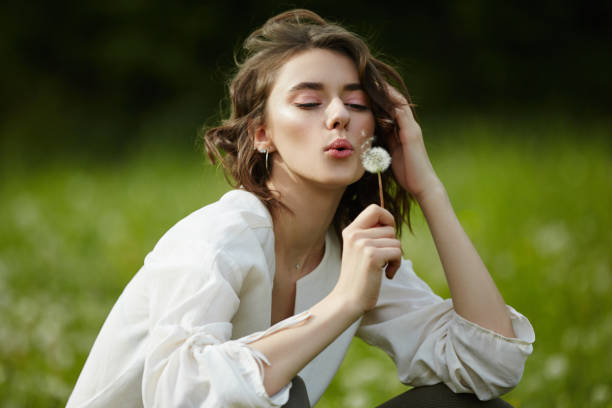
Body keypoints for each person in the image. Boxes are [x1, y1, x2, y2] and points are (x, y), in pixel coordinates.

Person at [66, 9, 535, 408]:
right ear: (261, 133)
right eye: (309, 101)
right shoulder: (219, 236)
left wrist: (429, 191)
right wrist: (344, 303)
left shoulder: (349, 251)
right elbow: (182, 394)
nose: (338, 115)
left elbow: (488, 365)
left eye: (356, 102)